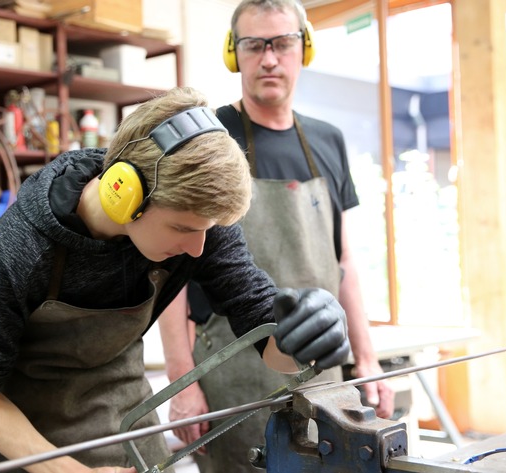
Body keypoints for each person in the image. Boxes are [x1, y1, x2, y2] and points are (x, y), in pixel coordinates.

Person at [0, 86, 351, 473]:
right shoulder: (19, 251)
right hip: (31, 443)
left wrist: (303, 335)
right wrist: (66, 468)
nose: (197, 249)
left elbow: (261, 327)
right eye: (181, 228)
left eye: (205, 231)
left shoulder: (201, 225)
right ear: (125, 196)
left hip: (132, 425)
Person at [157, 2, 396, 472]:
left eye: (283, 43)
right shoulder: (209, 139)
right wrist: (181, 382)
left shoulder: (328, 141)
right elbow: (170, 272)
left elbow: (343, 260)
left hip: (321, 369)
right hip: (230, 373)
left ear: (303, 48)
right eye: (254, 44)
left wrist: (366, 361)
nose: (269, 59)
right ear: (235, 53)